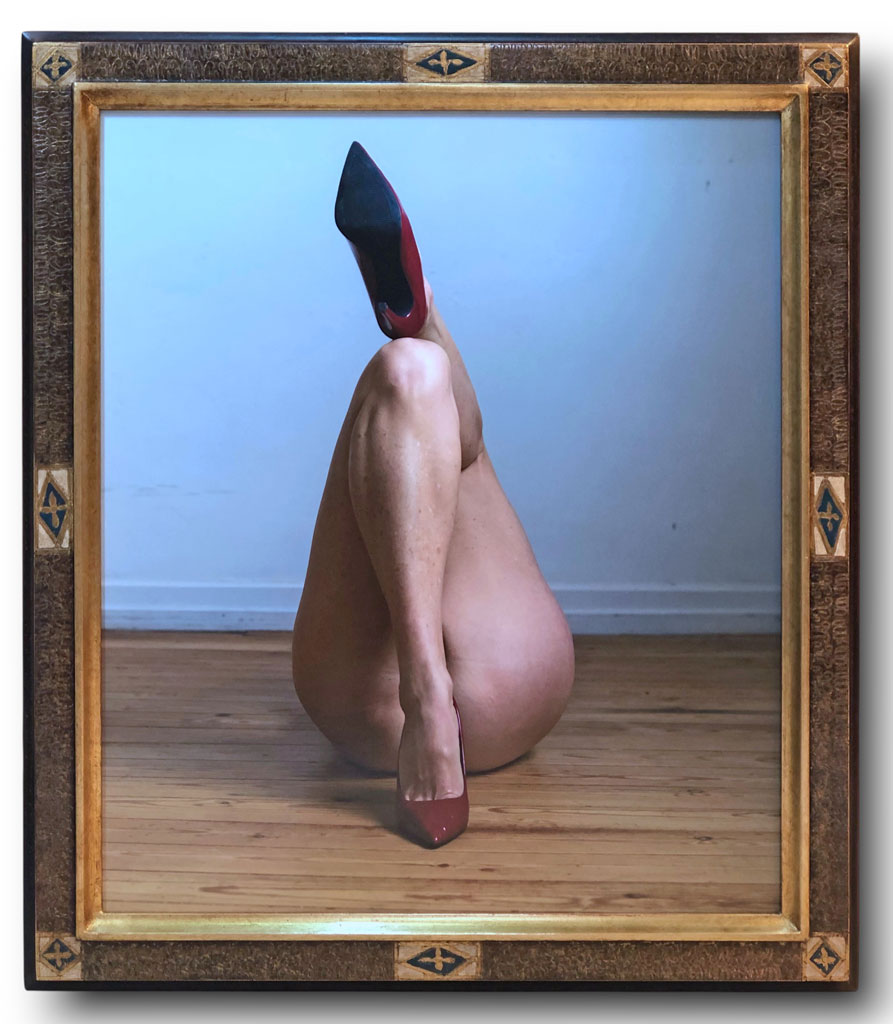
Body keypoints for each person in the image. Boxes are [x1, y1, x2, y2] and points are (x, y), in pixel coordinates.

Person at [291, 142, 575, 847]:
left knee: (404, 379)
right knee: (427, 386)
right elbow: (465, 445)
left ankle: (425, 698)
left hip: (366, 714)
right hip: (516, 686)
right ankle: (422, 321)